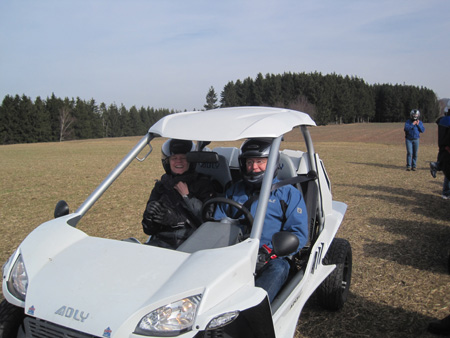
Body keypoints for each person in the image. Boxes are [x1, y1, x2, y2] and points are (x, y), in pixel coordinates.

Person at [213, 138, 308, 302]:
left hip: (269, 258)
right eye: (250, 162)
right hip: (232, 253)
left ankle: (252, 308)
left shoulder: (287, 194)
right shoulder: (234, 190)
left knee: (279, 268)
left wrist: (271, 252)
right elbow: (217, 221)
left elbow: (298, 233)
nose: (254, 167)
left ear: (273, 163)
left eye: (260, 162)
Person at [142, 139, 216, 249]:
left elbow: (208, 221)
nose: (179, 162)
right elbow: (148, 230)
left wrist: (187, 197)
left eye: (183, 158)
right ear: (167, 161)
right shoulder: (161, 186)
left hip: (192, 243)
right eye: (174, 158)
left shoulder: (203, 184)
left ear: (191, 161)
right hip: (161, 243)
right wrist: (149, 217)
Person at [429, 107, 450, 199]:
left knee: (447, 173)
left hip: (443, 151)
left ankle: (438, 165)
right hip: (447, 151)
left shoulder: (442, 121)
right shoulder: (447, 122)